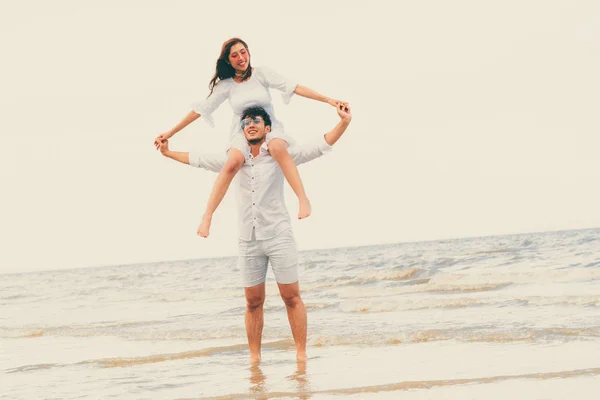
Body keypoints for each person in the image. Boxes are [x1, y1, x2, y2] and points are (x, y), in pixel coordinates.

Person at [158, 103, 352, 362]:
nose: (250, 124)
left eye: (256, 121)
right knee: (252, 301)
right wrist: (169, 153)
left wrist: (343, 123)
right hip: (247, 240)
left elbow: (318, 146)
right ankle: (255, 360)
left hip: (278, 235)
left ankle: (301, 357)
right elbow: (199, 159)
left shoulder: (280, 155)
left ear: (267, 128)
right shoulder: (234, 160)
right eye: (246, 121)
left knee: (291, 297)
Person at [154, 37, 347, 238]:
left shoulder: (262, 74)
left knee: (278, 149)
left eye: (243, 51)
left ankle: (302, 198)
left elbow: (295, 87)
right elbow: (200, 109)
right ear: (228, 61)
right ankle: (208, 216)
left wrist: (329, 100)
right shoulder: (226, 86)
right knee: (232, 163)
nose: (241, 57)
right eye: (234, 55)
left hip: (269, 127)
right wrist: (171, 132)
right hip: (242, 131)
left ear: (248, 52)